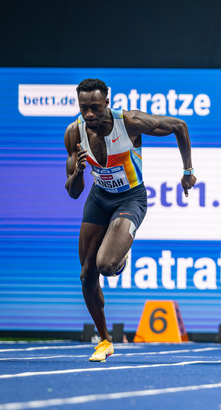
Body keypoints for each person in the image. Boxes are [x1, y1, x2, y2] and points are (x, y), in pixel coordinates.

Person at [64, 78, 196, 362]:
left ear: (106, 103)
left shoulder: (130, 122)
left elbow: (180, 127)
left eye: (95, 108)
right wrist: (79, 172)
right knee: (87, 274)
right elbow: (74, 193)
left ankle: (120, 250)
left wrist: (187, 171)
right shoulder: (74, 133)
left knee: (107, 265)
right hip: (98, 198)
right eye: (84, 108)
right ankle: (104, 340)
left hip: (130, 198)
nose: (89, 114)